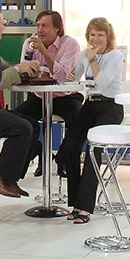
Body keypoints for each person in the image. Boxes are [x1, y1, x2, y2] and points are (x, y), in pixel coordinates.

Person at [58, 17, 125, 223]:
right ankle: (76, 202)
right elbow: (75, 78)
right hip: (90, 104)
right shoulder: (84, 55)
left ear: (108, 37)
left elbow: (103, 83)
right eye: (92, 35)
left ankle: (85, 207)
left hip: (111, 106)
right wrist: (68, 77)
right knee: (70, 146)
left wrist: (92, 59)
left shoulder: (115, 56)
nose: (95, 39)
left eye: (100, 35)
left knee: (93, 151)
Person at [13, 10, 82, 175]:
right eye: (38, 26)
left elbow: (62, 77)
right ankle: (41, 151)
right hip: (39, 96)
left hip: (65, 97)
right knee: (15, 120)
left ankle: (63, 159)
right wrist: (40, 68)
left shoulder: (70, 44)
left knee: (80, 121)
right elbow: (26, 72)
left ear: (57, 28)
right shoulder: (29, 43)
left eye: (45, 26)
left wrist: (44, 52)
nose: (40, 30)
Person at [0, 5, 35, 198]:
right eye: (2, 23)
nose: (4, 28)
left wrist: (25, 67)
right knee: (23, 128)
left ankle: (10, 179)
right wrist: (18, 70)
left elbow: (4, 68)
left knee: (32, 125)